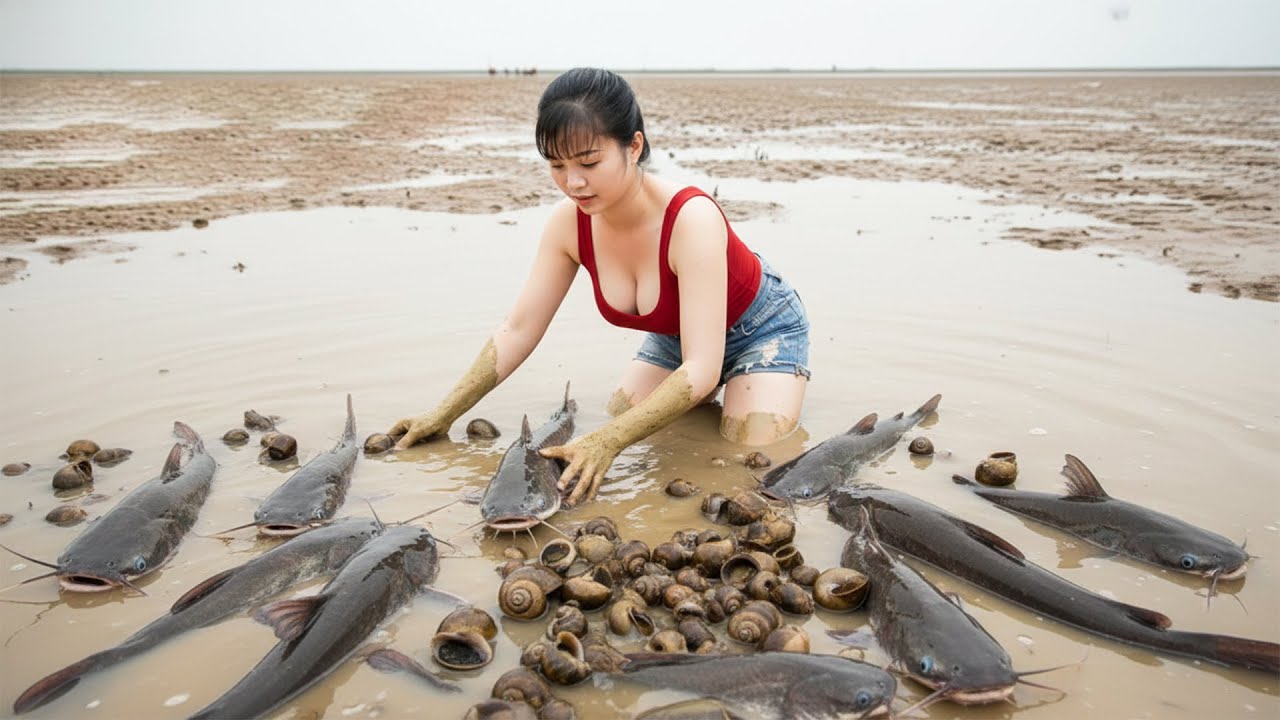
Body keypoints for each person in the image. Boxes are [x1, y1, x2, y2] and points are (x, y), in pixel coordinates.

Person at [390, 67, 810, 505]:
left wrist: (607, 442)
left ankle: (758, 386)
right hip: (677, 337)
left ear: (634, 145)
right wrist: (443, 413)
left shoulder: (691, 218)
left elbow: (702, 368)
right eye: (557, 165)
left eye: (589, 163)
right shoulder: (568, 226)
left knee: (750, 446)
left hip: (761, 330)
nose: (573, 182)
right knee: (623, 414)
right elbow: (518, 330)